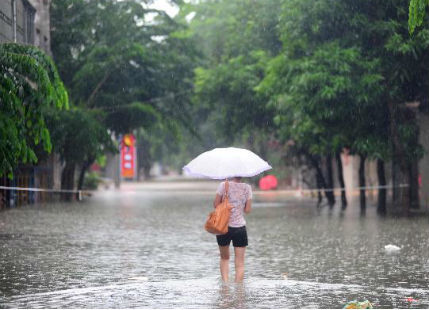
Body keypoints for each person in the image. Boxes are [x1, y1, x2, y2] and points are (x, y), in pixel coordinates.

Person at [213, 176, 252, 283]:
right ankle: (239, 292)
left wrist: (225, 203)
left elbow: (216, 205)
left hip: (223, 227)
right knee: (240, 263)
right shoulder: (247, 188)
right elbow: (248, 210)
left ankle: (225, 288)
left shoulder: (223, 185)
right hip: (239, 228)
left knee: (224, 258)